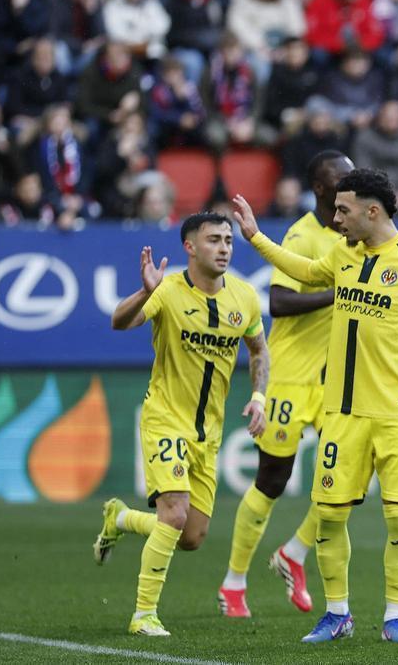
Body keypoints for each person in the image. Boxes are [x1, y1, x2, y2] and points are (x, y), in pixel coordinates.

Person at [229, 168, 398, 645]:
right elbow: (304, 270)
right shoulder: (343, 253)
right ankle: (338, 614)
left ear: (372, 211)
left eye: (343, 210)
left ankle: (396, 614)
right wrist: (254, 237)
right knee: (330, 515)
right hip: (341, 413)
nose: (335, 219)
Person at [93, 212, 270, 637]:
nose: (225, 247)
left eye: (228, 240)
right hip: (165, 420)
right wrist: (144, 292)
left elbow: (260, 351)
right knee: (172, 515)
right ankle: (143, 615)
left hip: (208, 433)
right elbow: (119, 321)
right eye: (213, 240)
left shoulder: (244, 297)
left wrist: (259, 397)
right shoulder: (168, 290)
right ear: (190, 247)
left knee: (190, 536)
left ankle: (119, 519)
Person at [217, 151, 354, 620]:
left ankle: (294, 552)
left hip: (333, 380)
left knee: (350, 478)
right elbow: (278, 301)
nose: (350, 189)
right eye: (342, 182)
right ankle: (234, 581)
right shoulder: (302, 235)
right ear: (320, 189)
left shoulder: (353, 234)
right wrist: (340, 292)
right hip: (290, 378)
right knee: (273, 480)